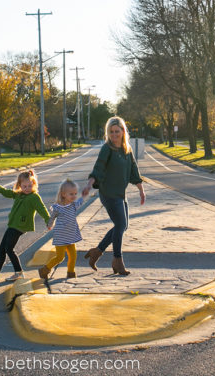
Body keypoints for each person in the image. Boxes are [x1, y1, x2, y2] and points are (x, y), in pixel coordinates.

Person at [80, 116, 145, 276]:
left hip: (121, 194)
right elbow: (98, 168)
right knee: (121, 225)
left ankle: (97, 252)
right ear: (108, 133)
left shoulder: (127, 149)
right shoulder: (107, 148)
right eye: (111, 132)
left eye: (117, 131)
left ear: (123, 131)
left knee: (123, 226)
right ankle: (117, 260)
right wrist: (89, 184)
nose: (114, 134)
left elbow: (133, 170)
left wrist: (141, 189)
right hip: (108, 193)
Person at [0, 170, 50, 281]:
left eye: (30, 186)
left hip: (20, 226)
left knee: (9, 248)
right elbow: (6, 192)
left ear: (34, 185)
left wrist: (48, 220)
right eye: (24, 186)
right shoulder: (19, 194)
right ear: (20, 186)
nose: (27, 188)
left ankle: (18, 272)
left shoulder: (34, 197)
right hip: (13, 224)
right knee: (2, 248)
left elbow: (42, 209)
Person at [39, 179, 88, 281]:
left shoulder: (74, 205)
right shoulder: (58, 207)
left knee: (73, 256)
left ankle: (70, 273)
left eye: (75, 193)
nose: (74, 196)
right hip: (61, 237)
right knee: (60, 257)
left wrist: (83, 195)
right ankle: (45, 269)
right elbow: (52, 217)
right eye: (71, 194)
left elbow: (80, 201)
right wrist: (50, 225)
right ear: (63, 194)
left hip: (71, 235)